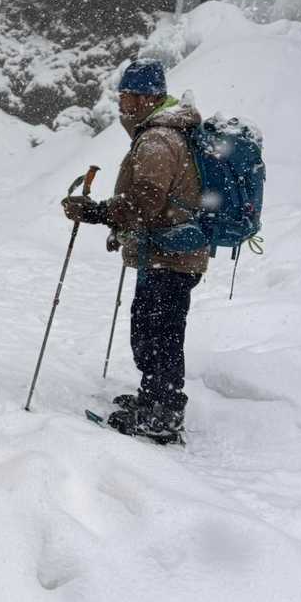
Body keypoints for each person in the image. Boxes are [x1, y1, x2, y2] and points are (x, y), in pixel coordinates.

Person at [62, 59, 208, 443]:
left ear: (146, 98)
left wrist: (96, 212)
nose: (121, 104)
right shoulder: (161, 133)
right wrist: (121, 228)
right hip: (166, 251)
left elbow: (145, 202)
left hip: (171, 255)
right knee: (152, 328)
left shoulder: (158, 140)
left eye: (126, 97)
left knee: (160, 332)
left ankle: (163, 415)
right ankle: (155, 398)